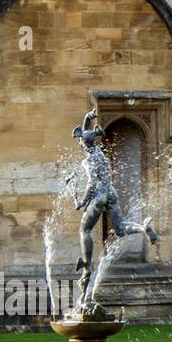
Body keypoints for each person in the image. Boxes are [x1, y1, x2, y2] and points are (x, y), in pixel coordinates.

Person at [67, 108, 158, 306]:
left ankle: (87, 267)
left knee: (84, 230)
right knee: (121, 228)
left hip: (98, 195)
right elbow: (86, 135)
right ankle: (144, 228)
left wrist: (82, 201)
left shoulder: (89, 160)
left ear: (84, 144)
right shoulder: (99, 153)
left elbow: (91, 183)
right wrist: (86, 118)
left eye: (80, 141)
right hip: (110, 192)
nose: (80, 143)